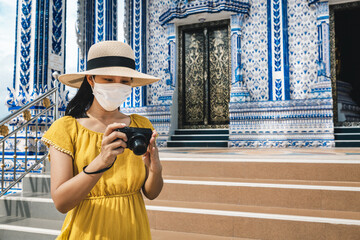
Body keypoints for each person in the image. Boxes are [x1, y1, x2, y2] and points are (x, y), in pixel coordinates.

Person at [41, 41, 163, 239]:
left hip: (134, 230)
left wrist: (156, 169)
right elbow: (61, 202)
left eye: (125, 81)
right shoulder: (66, 129)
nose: (117, 86)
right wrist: (102, 161)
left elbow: (151, 193)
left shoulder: (141, 125)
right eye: (108, 79)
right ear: (91, 80)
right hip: (87, 232)